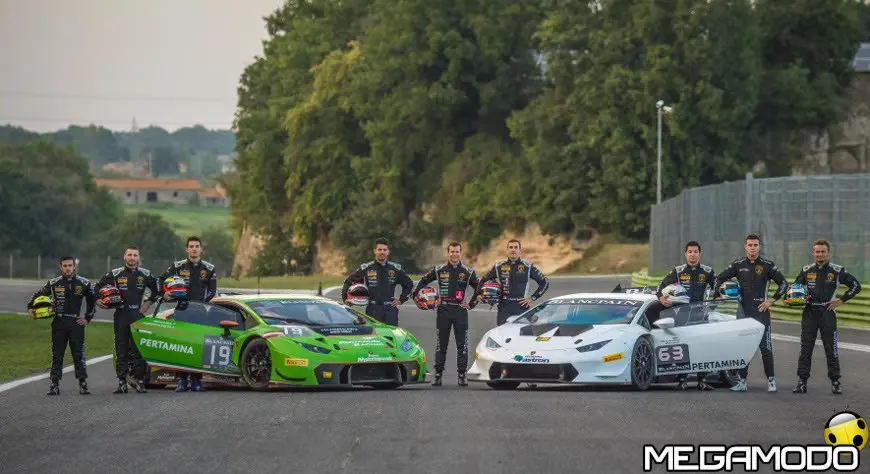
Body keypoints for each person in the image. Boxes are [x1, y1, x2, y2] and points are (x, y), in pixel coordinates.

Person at [713, 233, 788, 393]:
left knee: (765, 348)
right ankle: (742, 382)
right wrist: (718, 295)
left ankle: (771, 381)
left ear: (759, 247)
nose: (753, 248)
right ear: (745, 247)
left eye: (755, 245)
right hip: (743, 313)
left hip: (761, 312)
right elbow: (719, 278)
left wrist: (771, 300)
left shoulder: (767, 265)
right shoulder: (738, 265)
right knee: (743, 348)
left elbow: (783, 284)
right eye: (750, 245)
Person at [791, 239, 861, 395]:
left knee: (831, 349)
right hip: (809, 313)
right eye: (817, 251)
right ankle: (802, 382)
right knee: (805, 349)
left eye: (823, 251)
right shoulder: (806, 270)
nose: (820, 254)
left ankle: (835, 382)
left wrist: (840, 300)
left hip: (827, 312)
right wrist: (797, 301)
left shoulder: (837, 270)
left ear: (828, 253)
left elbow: (856, 285)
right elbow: (795, 289)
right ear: (813, 253)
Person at [413, 241, 480, 387]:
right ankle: (438, 375)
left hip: (460, 311)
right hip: (443, 310)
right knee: (441, 344)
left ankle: (462, 375)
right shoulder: (439, 270)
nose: (454, 254)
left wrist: (471, 303)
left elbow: (479, 288)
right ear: (448, 253)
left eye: (457, 252)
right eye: (452, 252)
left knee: (462, 344)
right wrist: (416, 296)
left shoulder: (468, 272)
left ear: (460, 253)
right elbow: (423, 280)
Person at [94, 246, 160, 394]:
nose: (132, 258)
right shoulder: (116, 274)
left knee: (139, 350)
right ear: (124, 257)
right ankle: (122, 382)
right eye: (129, 255)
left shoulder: (146, 274)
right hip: (121, 315)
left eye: (135, 255)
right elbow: (96, 288)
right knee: (121, 349)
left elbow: (158, 290)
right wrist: (100, 302)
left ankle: (140, 381)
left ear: (138, 258)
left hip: (138, 315)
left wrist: (148, 303)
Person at [26, 256, 95, 396]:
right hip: (59, 323)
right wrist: (30, 308)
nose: (68, 268)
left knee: (78, 355)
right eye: (65, 265)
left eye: (70, 265)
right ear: (60, 267)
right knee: (57, 355)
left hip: (76, 323)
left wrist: (87, 318)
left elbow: (92, 301)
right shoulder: (53, 283)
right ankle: (54, 384)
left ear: (74, 266)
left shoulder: (84, 283)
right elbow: (36, 295)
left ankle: (83, 383)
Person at [655, 241, 717, 391]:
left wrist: (712, 305)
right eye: (690, 252)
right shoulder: (678, 271)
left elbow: (718, 289)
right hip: (681, 314)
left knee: (702, 346)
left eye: (695, 252)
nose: (693, 255)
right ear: (685, 254)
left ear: (699, 254)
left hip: (701, 314)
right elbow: (660, 287)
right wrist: (661, 298)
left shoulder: (708, 271)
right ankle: (682, 380)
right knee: (683, 347)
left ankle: (702, 380)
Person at [158, 235, 217, 392]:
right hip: (182, 310)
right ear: (187, 249)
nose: (194, 249)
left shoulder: (209, 269)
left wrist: (202, 304)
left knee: (198, 346)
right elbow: (160, 280)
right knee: (181, 346)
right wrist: (164, 295)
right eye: (191, 246)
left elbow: (212, 291)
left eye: (197, 246)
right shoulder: (177, 267)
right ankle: (182, 380)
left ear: (201, 249)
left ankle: (197, 381)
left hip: (200, 312)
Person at [474, 239, 550, 325]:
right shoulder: (499, 266)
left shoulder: (527, 266)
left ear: (519, 250)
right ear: (507, 250)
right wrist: (478, 294)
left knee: (521, 336)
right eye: (510, 247)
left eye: (516, 247)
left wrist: (533, 298)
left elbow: (545, 282)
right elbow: (483, 279)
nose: (513, 249)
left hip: (521, 307)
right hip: (504, 308)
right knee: (502, 336)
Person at [340, 237, 414, 326]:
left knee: (391, 337)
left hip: (390, 310)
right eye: (379, 249)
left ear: (388, 251)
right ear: (374, 251)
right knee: (373, 337)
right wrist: (346, 299)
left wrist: (401, 299)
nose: (382, 252)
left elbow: (409, 284)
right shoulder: (366, 268)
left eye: (384, 250)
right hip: (372, 310)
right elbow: (348, 282)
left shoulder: (395, 269)